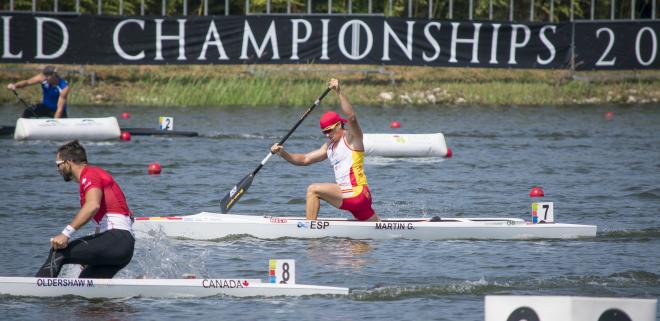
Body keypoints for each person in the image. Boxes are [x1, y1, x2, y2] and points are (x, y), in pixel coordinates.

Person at [271, 78, 380, 222]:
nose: (328, 135)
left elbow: (352, 117)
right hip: (354, 198)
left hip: (356, 193)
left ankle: (308, 229)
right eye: (324, 132)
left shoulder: (352, 138)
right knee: (370, 236)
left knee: (313, 190)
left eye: (329, 130)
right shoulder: (328, 147)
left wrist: (339, 92)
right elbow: (304, 159)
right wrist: (282, 153)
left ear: (339, 125)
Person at [35, 141, 134, 279]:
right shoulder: (96, 175)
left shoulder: (90, 174)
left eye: (58, 164)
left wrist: (65, 234)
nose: (58, 169)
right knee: (85, 286)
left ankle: (37, 293)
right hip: (123, 246)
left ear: (68, 162)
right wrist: (93, 252)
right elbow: (107, 219)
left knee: (57, 253)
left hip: (116, 240)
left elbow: (93, 206)